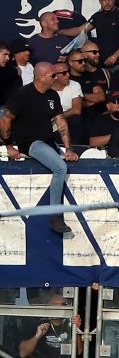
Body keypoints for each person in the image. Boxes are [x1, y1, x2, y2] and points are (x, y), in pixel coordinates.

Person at [1, 60, 78, 235]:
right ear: (42, 77)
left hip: (49, 140)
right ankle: (55, 216)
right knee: (60, 167)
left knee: (72, 162)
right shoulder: (22, 94)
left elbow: (61, 122)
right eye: (53, 75)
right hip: (30, 142)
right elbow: (6, 119)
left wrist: (69, 148)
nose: (56, 78)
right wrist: (9, 146)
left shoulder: (52, 96)